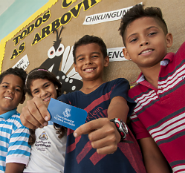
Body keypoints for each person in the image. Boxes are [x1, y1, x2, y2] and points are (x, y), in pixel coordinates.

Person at [20, 35, 146, 173]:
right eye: (81, 59)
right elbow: (50, 109)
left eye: (94, 56)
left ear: (105, 60)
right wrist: (31, 111)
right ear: (75, 67)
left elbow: (119, 104)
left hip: (124, 165)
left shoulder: (117, 84)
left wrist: (115, 124)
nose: (88, 62)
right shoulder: (68, 99)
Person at [119, 4, 185, 173]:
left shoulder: (183, 59)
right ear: (126, 53)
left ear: (168, 39)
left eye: (152, 33)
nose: (144, 41)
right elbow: (152, 155)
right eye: (134, 39)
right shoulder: (134, 99)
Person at [23, 68, 67, 173]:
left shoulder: (67, 111)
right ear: (32, 96)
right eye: (36, 91)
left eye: (46, 86)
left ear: (55, 85)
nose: (43, 93)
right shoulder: (31, 119)